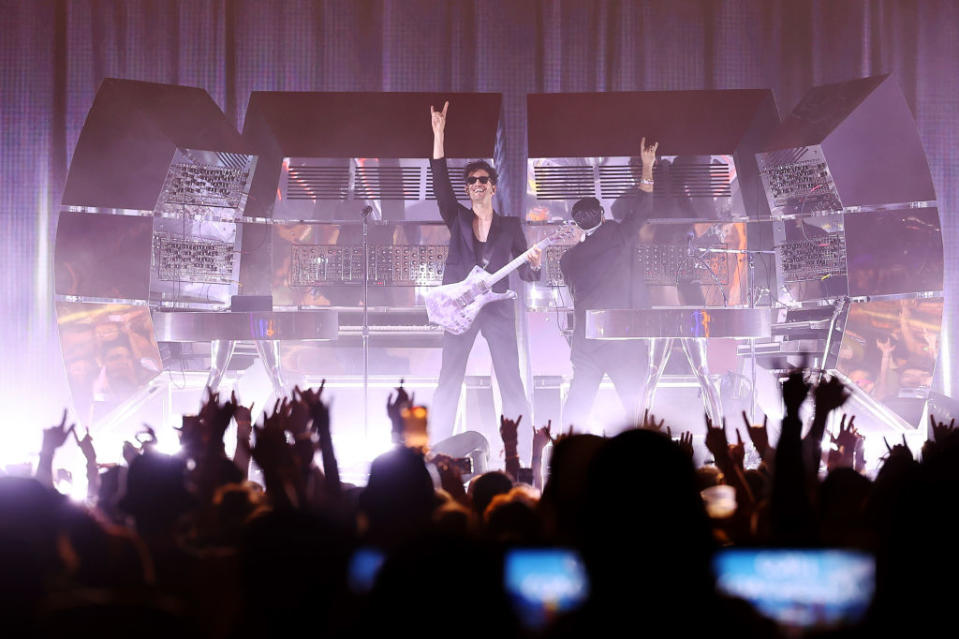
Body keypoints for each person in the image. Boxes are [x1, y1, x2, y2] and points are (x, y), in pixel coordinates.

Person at [428, 101, 541, 442]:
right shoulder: (458, 218)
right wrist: (438, 135)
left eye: (483, 179)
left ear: (493, 187)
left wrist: (535, 265)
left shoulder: (509, 226)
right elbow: (440, 185)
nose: (477, 183)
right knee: (450, 376)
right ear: (468, 189)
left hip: (497, 308)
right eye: (472, 181)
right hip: (461, 305)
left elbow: (526, 271)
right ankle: (436, 445)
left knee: (510, 378)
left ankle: (520, 446)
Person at [560, 138, 657, 431]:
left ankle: (563, 453)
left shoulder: (568, 260)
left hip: (587, 340)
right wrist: (648, 166)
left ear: (577, 225)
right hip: (623, 337)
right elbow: (643, 208)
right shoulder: (617, 235)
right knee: (633, 408)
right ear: (603, 216)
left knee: (578, 403)